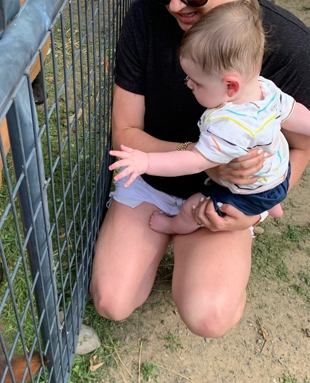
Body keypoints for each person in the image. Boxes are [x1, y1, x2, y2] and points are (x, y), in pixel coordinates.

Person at [90, 0, 310, 338]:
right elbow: (127, 134)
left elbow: (301, 144)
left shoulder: (290, 45)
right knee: (112, 301)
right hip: (155, 183)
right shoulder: (146, 16)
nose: (175, 4)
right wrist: (201, 157)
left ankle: (208, 259)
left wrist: (256, 211)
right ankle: (173, 239)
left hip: (230, 198)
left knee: (210, 317)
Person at [108, 1, 310, 235]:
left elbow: (192, 160)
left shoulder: (228, 126)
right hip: (278, 178)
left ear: (230, 86)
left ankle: (173, 225)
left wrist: (146, 161)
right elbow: (297, 115)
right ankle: (271, 205)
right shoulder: (267, 91)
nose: (189, 84)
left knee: (195, 206)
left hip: (245, 193)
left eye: (196, 82)